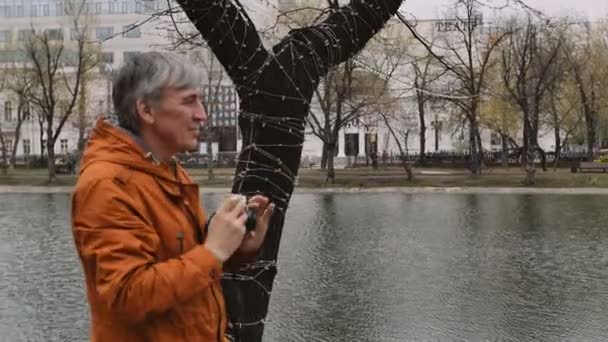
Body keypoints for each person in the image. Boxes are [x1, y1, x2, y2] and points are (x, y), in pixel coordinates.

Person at [70, 51, 273, 341]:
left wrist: (234, 247)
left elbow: (184, 267)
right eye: (189, 101)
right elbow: (128, 297)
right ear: (147, 110)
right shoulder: (107, 185)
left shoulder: (166, 170)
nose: (202, 114)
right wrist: (213, 250)